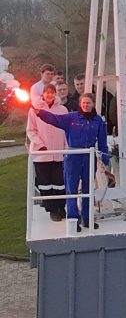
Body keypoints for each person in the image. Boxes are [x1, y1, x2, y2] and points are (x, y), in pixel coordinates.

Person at [35, 93, 112, 231]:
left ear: (93, 104)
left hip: (89, 157)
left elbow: (102, 141)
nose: (86, 105)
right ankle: (73, 220)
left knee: (88, 189)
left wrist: (105, 157)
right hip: (73, 157)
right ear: (80, 104)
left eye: (88, 103)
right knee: (72, 189)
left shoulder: (98, 120)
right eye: (83, 103)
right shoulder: (71, 118)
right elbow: (54, 119)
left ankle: (87, 219)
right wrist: (40, 113)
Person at [26, 84, 67, 222]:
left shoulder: (62, 110)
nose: (50, 95)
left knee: (60, 183)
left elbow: (66, 130)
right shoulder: (34, 110)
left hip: (59, 153)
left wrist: (67, 149)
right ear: (42, 94)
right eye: (47, 92)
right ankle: (52, 210)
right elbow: (31, 131)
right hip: (42, 154)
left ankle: (62, 207)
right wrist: (40, 145)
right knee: (45, 184)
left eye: (52, 92)